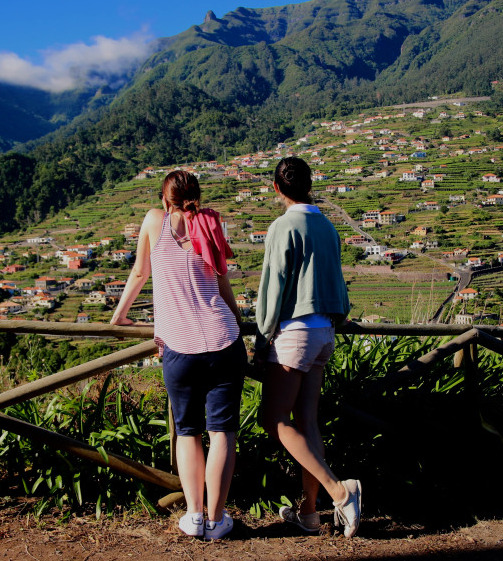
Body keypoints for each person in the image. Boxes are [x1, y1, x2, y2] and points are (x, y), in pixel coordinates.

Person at [111, 170, 245, 540]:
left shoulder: (155, 221)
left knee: (188, 433)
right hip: (224, 342)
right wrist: (239, 325)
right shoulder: (212, 223)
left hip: (180, 348)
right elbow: (222, 282)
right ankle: (218, 522)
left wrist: (120, 317)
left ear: (164, 198)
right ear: (196, 195)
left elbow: (140, 272)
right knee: (222, 434)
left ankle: (195, 516)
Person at [255, 157, 361, 538]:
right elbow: (336, 278)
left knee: (273, 419)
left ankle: (339, 491)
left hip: (294, 333)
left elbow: (273, 287)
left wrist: (261, 336)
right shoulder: (327, 225)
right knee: (307, 421)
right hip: (325, 332)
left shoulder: (283, 227)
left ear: (277, 188)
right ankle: (309, 512)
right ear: (310, 184)